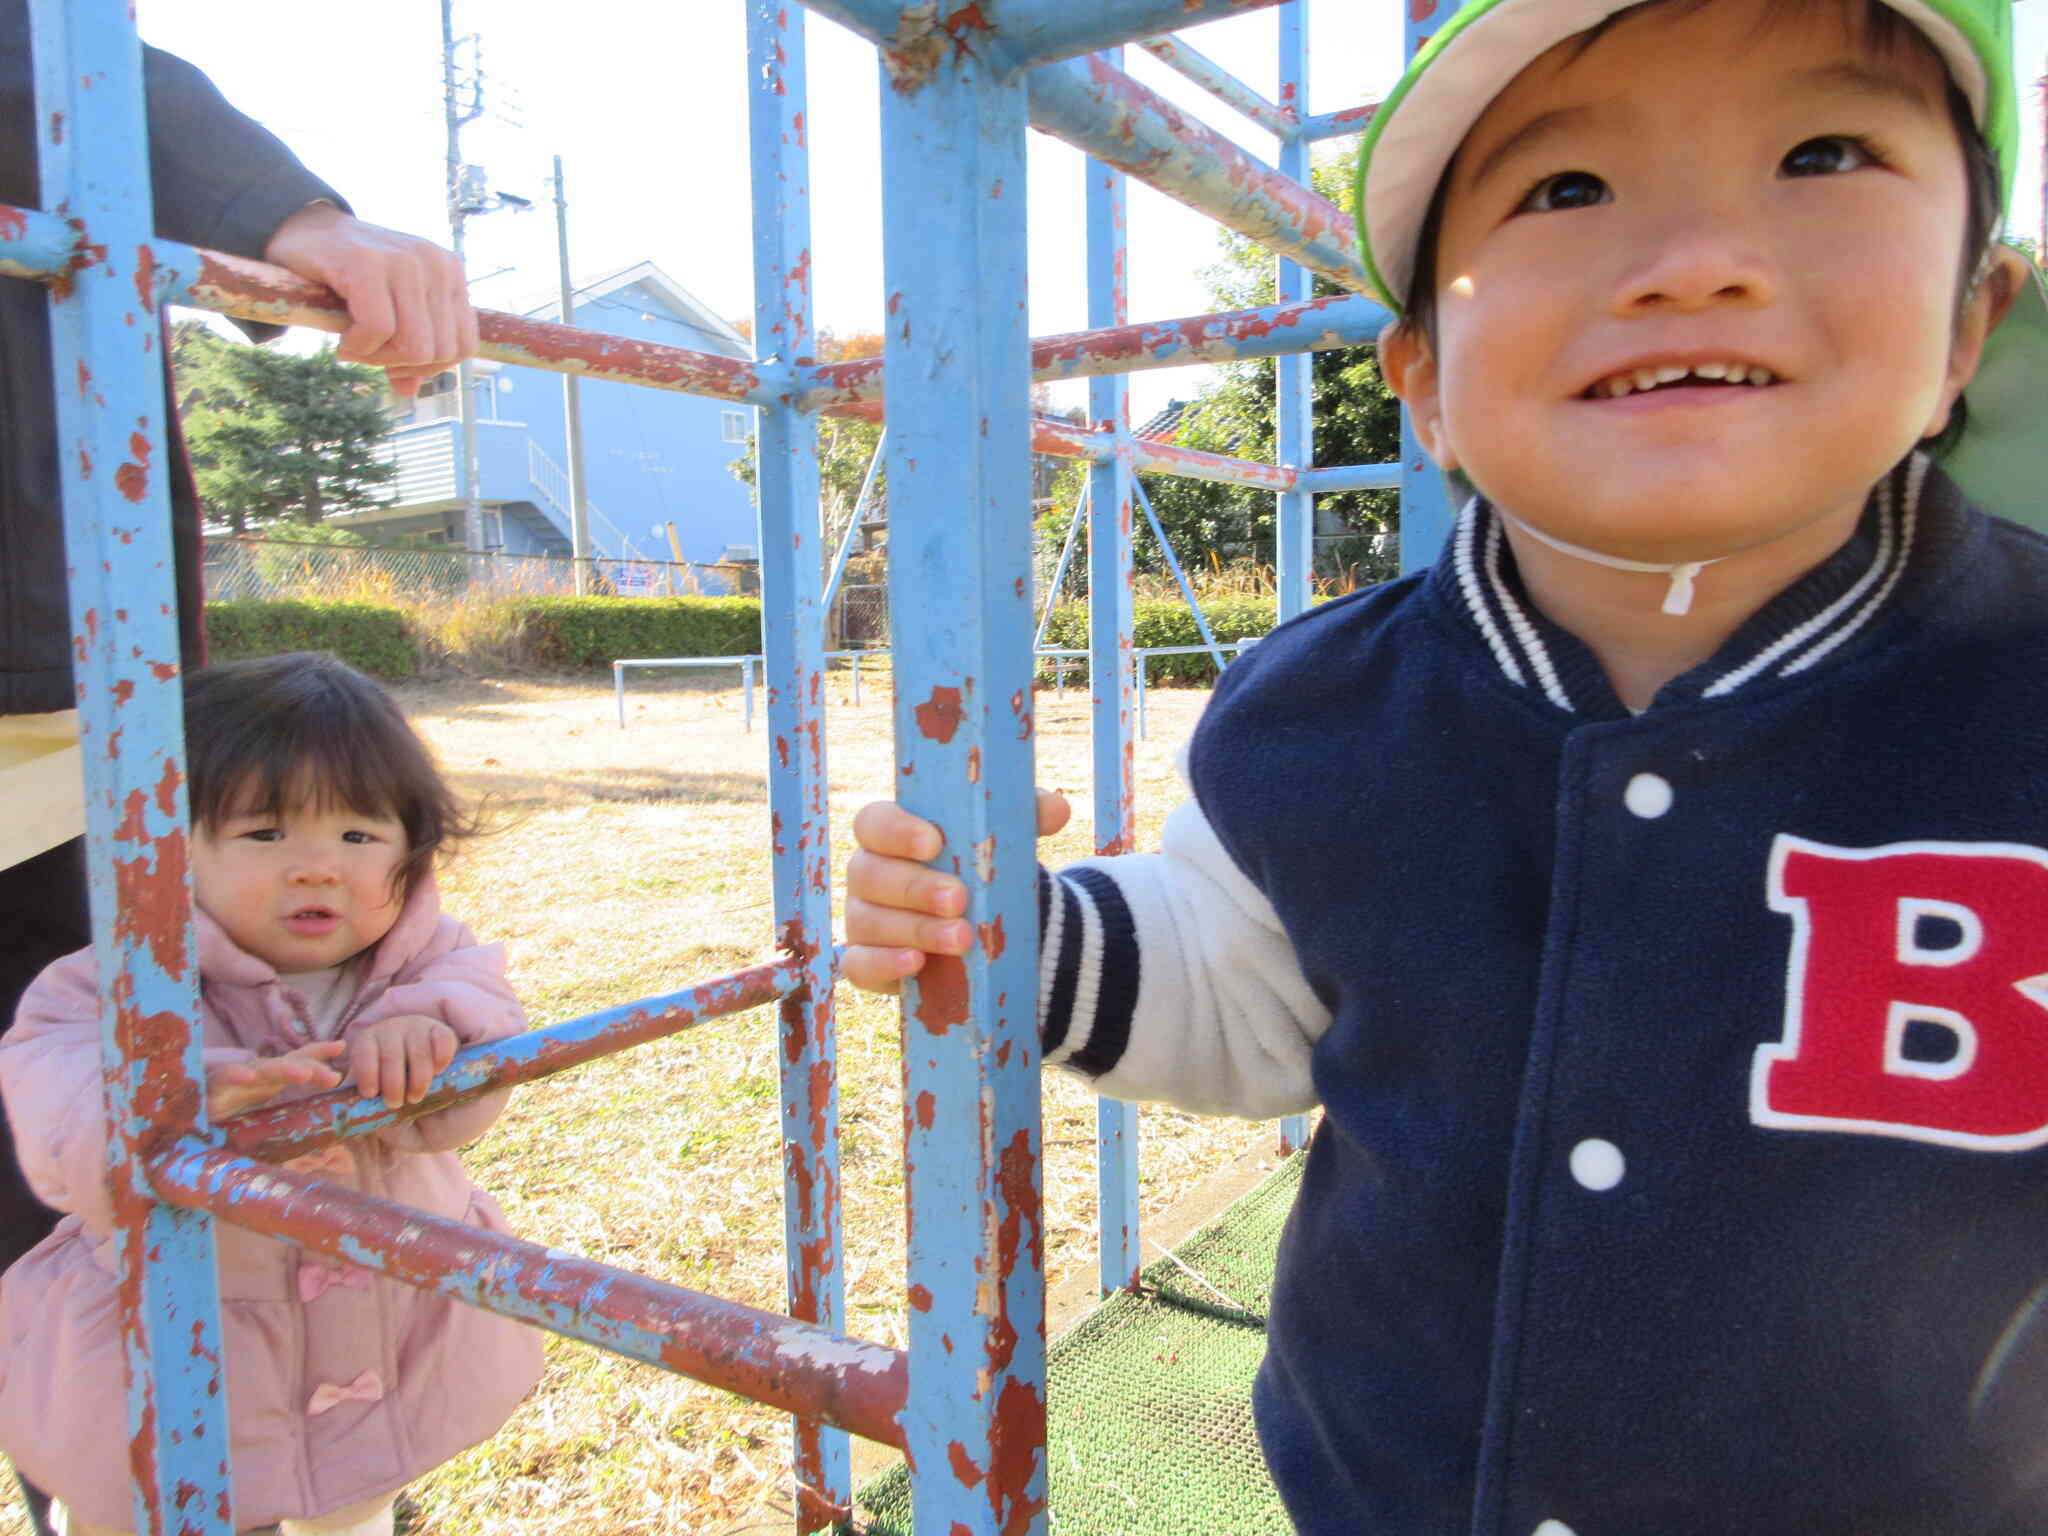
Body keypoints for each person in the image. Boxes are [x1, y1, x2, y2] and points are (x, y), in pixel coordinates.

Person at [844, 0, 2048, 1529]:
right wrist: (1010, 925)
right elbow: (1243, 995)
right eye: (1566, 191)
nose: (1691, 261)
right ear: (1422, 384)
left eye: (1822, 154)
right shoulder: (1317, 713)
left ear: (1967, 329)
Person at [0, 651, 541, 1536]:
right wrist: (157, 1096)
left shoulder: (435, 960)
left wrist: (427, 1041)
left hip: (384, 1321)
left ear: (414, 849)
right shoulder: (121, 985)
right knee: (146, 1504)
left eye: (359, 836)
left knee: (359, 1495)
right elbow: (50, 1097)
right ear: (174, 849)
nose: (317, 868)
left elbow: (479, 1074)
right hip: (180, 1342)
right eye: (264, 834)